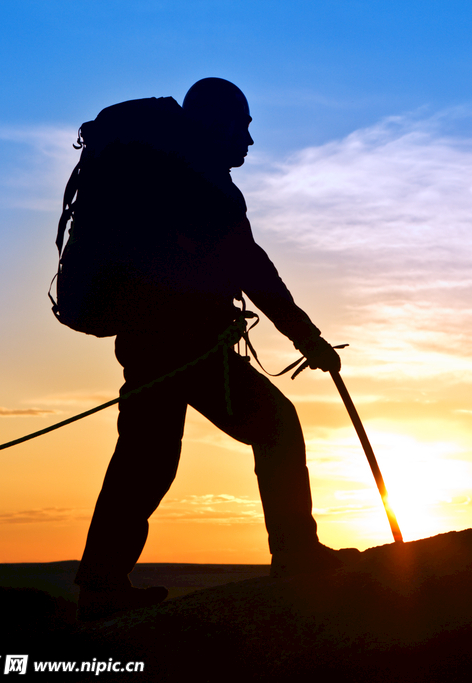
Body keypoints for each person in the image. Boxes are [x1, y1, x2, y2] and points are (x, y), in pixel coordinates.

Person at [74, 78, 352, 621]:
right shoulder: (204, 182)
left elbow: (240, 264)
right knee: (274, 424)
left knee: (145, 459)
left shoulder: (169, 173)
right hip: (186, 343)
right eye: (242, 125)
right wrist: (307, 338)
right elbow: (253, 269)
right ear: (218, 123)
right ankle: (296, 553)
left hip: (150, 337)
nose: (249, 139)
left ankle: (100, 584)